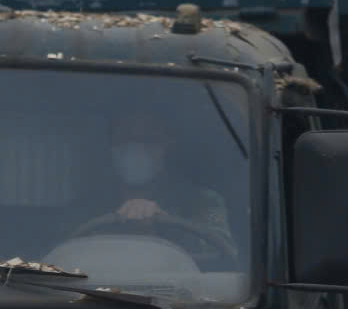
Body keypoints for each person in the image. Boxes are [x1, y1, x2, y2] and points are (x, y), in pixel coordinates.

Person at [70, 109, 234, 257]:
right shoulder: (88, 205)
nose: (135, 148)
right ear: (110, 145)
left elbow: (223, 255)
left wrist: (165, 228)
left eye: (149, 139)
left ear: (168, 145)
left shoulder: (202, 201)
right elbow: (62, 256)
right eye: (125, 138)